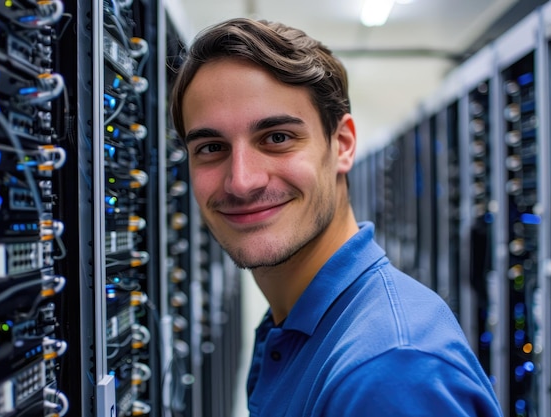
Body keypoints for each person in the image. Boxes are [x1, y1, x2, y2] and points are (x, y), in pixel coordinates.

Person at [170, 17, 503, 417]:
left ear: (342, 145)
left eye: (277, 138)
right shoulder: (297, 326)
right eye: (211, 147)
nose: (241, 181)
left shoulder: (390, 372)